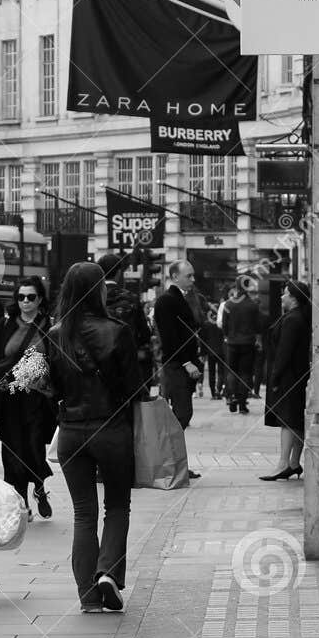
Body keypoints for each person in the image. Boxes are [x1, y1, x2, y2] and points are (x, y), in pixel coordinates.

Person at [46, 263, 143, 613]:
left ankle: (88, 598)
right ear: (99, 290)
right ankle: (108, 574)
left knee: (83, 513)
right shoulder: (118, 331)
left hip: (71, 431)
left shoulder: (55, 334)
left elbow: (48, 387)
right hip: (112, 428)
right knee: (117, 506)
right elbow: (134, 387)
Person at [0, 276, 55, 519]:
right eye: (21, 297)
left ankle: (40, 488)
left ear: (40, 299)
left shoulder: (49, 326)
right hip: (10, 397)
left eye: (31, 297)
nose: (25, 301)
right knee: (13, 451)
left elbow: (55, 361)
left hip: (37, 399)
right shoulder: (6, 325)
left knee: (34, 446)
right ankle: (21, 502)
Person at [153, 261, 204, 478]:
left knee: (181, 414)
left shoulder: (182, 298)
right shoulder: (166, 300)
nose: (193, 280)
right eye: (188, 276)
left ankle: (175, 463)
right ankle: (170, 463)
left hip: (182, 364)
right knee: (181, 414)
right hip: (176, 366)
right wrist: (186, 362)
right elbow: (170, 337)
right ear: (175, 276)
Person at [262, 280, 312, 481]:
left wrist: (275, 376)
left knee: (287, 421)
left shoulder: (292, 319)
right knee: (296, 420)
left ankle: (283, 463)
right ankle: (293, 463)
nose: (281, 297)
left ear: (293, 298)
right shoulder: (299, 317)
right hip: (298, 374)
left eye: (284, 294)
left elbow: (284, 351)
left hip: (288, 376)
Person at [100, 253, 154, 396]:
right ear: (119, 273)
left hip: (98, 365)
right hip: (127, 364)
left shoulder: (92, 298)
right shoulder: (130, 299)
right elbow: (144, 334)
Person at [222, 282, 263, 414]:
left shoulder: (228, 304)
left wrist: (228, 335)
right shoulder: (253, 305)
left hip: (232, 342)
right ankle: (242, 403)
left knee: (232, 371)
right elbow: (258, 326)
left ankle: (232, 396)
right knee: (246, 373)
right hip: (248, 343)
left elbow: (224, 325)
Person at [200, 301, 225, 401]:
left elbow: (203, 340)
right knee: (221, 372)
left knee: (211, 373)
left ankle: (213, 393)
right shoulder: (221, 324)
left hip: (210, 351)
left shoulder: (206, 325)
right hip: (221, 351)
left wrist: (202, 353)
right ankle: (219, 390)